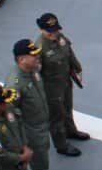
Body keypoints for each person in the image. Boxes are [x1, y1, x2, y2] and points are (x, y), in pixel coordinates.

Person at [6, 40, 62, 170]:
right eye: (33, 55)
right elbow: (11, 114)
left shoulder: (32, 70)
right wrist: (22, 140)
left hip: (40, 123)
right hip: (31, 129)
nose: (37, 57)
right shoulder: (15, 84)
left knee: (43, 159)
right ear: (21, 59)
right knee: (39, 162)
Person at [36, 13, 88, 157]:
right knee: (56, 116)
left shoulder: (60, 38)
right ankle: (61, 144)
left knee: (67, 107)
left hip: (65, 81)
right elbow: (36, 74)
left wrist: (77, 67)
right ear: (41, 30)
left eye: (55, 30)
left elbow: (69, 53)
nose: (54, 33)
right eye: (50, 31)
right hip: (51, 88)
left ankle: (71, 131)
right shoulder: (39, 49)